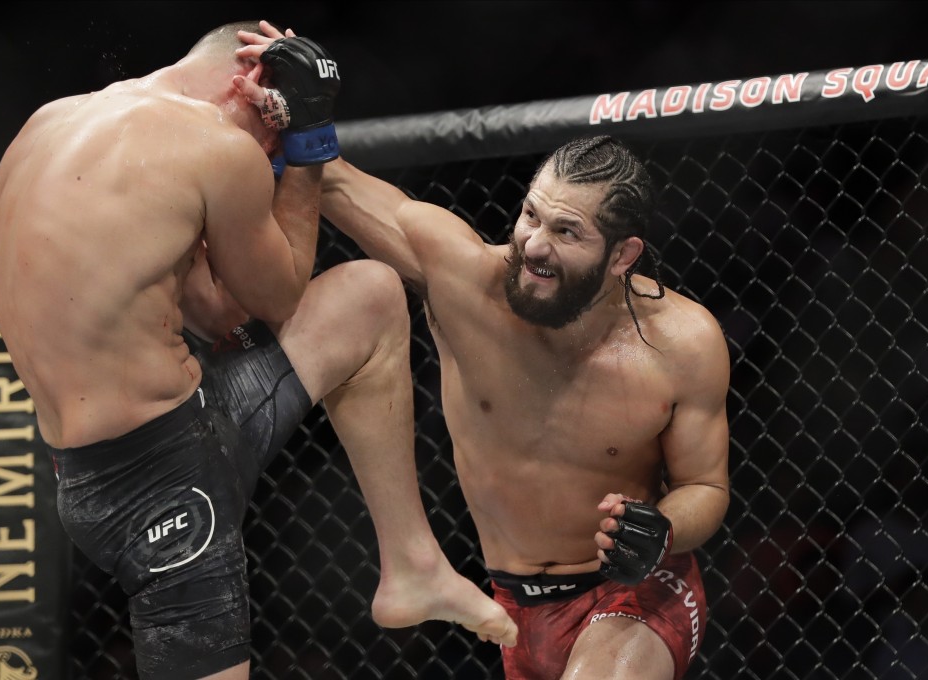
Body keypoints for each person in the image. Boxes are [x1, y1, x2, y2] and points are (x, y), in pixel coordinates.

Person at [0, 19, 516, 680]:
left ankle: (413, 565)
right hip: (168, 483)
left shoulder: (49, 124)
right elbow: (281, 297)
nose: (268, 161)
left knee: (371, 296)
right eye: (274, 136)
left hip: (85, 475)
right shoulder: (213, 145)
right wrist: (307, 147)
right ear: (252, 83)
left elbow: (216, 311)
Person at [235, 23, 731, 680]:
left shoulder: (682, 342)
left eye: (566, 231)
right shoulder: (464, 282)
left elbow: (704, 485)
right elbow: (337, 181)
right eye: (531, 215)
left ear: (623, 256)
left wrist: (661, 530)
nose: (532, 244)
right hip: (510, 606)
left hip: (635, 595)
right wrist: (291, 103)